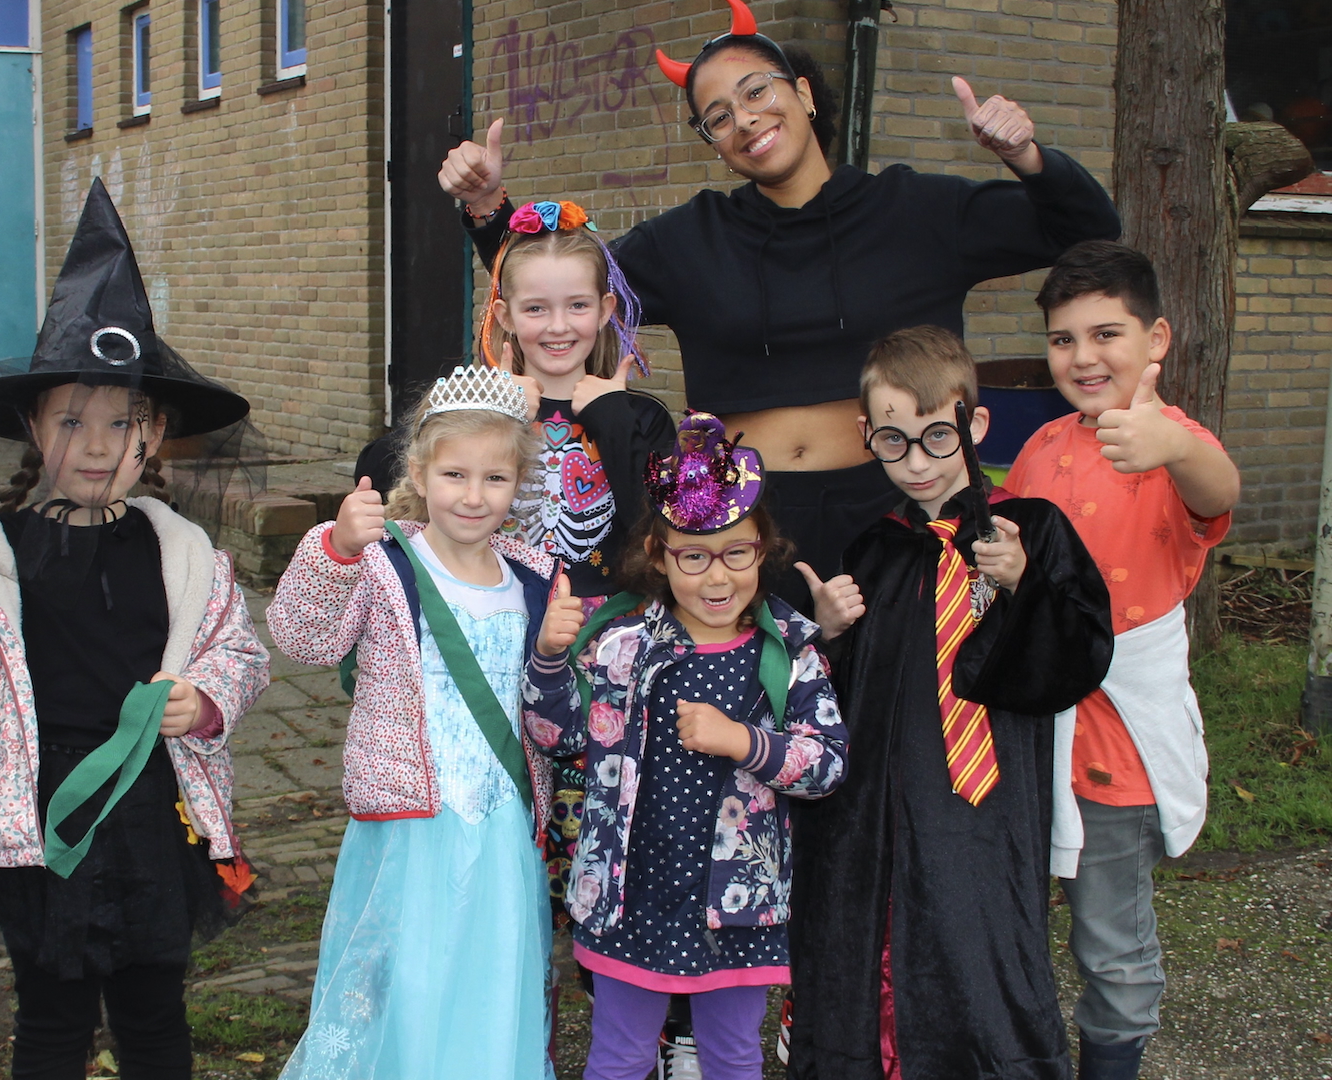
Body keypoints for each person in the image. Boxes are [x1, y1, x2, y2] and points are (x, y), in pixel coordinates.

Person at [437, 0, 1123, 610]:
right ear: (714, 145)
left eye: (756, 90)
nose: (745, 120)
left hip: (900, 502)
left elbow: (1084, 228)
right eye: (718, 118)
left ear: (802, 91)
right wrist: (486, 206)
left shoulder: (916, 211)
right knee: (755, 723)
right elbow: (563, 290)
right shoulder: (691, 239)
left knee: (889, 715)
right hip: (742, 521)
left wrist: (1025, 154)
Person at [0, 179, 269, 1080]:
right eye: (71, 420)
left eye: (122, 423)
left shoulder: (181, 551)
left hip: (150, 808)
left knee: (153, 1015)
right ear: (33, 427)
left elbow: (241, 652)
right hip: (37, 812)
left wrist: (208, 698)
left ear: (155, 437)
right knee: (52, 1021)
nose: (97, 445)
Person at [784, 325, 1113, 1078]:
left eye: (938, 436)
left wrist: (1025, 584)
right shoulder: (876, 548)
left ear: (976, 423)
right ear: (868, 436)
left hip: (982, 820)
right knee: (872, 965)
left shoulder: (1032, 531)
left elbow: (1078, 661)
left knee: (979, 957)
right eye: (895, 442)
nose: (920, 462)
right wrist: (828, 636)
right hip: (874, 815)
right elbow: (840, 701)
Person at [523, 412, 847, 1080]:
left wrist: (746, 742)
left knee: (732, 1056)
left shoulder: (788, 654)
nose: (716, 577)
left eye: (737, 553)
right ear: (660, 556)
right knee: (620, 1055)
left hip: (738, 906)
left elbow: (828, 765)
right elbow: (557, 737)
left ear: (764, 549)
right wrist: (551, 662)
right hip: (629, 896)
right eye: (693, 556)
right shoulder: (623, 647)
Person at [268, 365, 557, 1079]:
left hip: (498, 826)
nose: (473, 495)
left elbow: (551, 709)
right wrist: (335, 548)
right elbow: (303, 637)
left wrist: (557, 657)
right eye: (455, 474)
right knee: (410, 980)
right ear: (422, 475)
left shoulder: (534, 576)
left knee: (491, 975)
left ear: (518, 482)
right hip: (410, 824)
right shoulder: (387, 563)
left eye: (495, 478)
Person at [1004, 241, 1239, 1080]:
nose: (1083, 357)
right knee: (1016, 924)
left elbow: (1220, 492)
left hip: (1115, 756)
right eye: (1064, 340)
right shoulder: (1039, 449)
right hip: (1033, 745)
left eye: (1106, 334)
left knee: (1110, 939)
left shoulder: (1173, 443)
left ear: (1158, 339)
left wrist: (1171, 447)